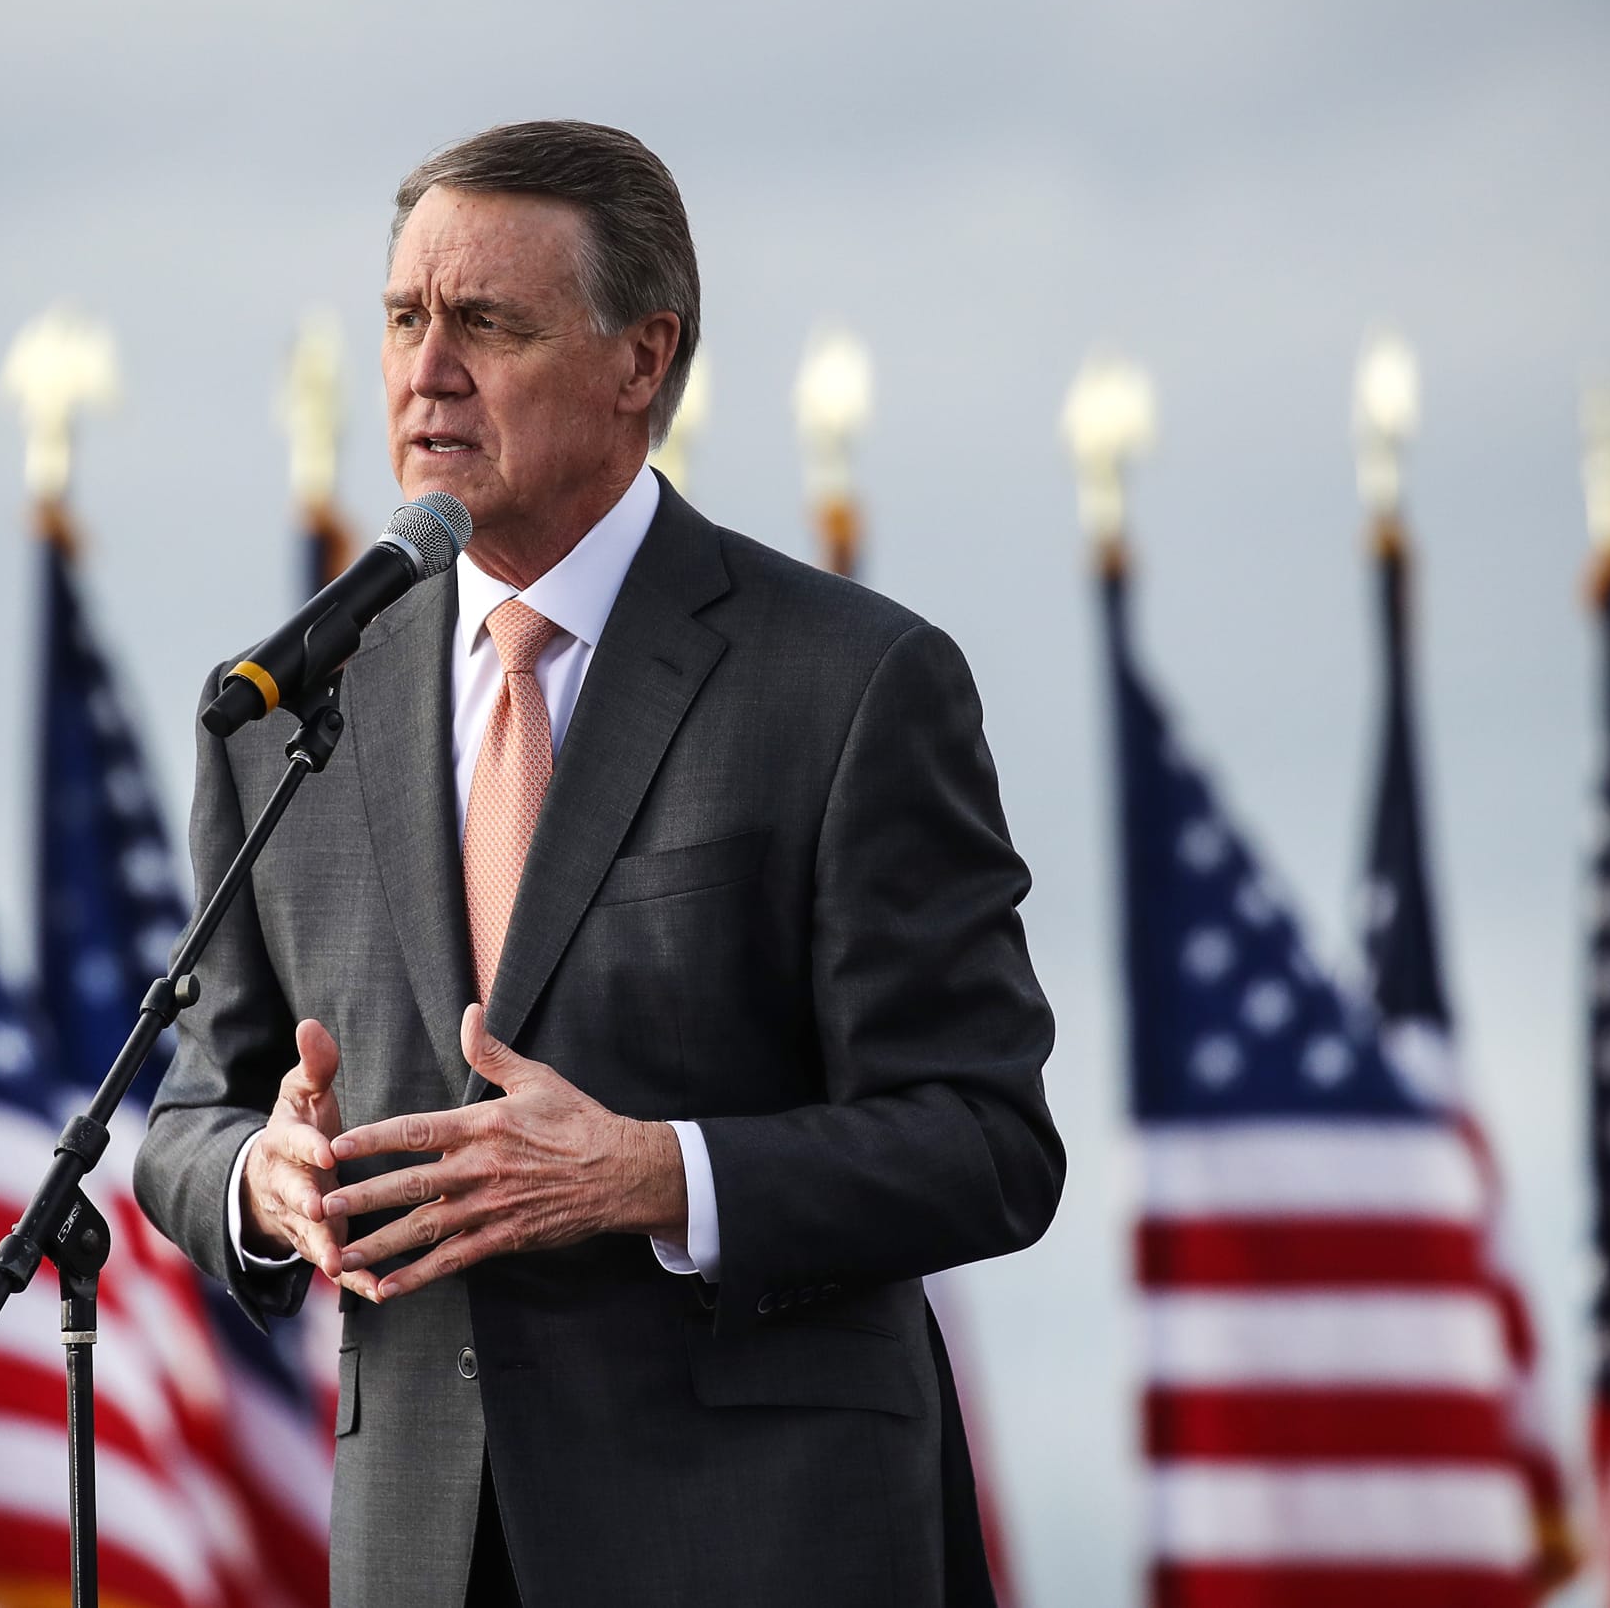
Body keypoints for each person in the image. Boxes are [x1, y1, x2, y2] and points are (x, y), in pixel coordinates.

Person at [134, 119, 1063, 1608]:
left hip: (766, 1545)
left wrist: (655, 1174)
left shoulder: (847, 682)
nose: (428, 369)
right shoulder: (286, 708)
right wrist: (268, 1180)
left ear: (643, 359)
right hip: (425, 1553)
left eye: (487, 323)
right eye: (401, 318)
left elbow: (985, 1142)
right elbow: (188, 1116)